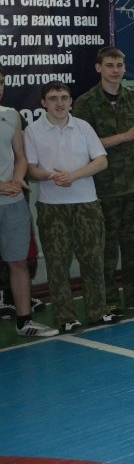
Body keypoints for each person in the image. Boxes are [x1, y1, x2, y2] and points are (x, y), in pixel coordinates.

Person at [25, 80, 120, 332]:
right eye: (53, 98)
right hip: (52, 208)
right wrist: (51, 176)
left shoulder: (83, 127)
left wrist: (73, 176)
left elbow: (101, 161)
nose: (59, 103)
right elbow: (31, 169)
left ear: (71, 101)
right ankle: (66, 318)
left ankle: (98, 312)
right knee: (58, 264)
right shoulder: (33, 131)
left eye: (64, 98)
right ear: (44, 103)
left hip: (87, 205)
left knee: (93, 261)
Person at [71, 47, 134, 313]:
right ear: (98, 68)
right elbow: (84, 146)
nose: (116, 70)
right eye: (110, 65)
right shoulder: (85, 103)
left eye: (120, 65)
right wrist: (126, 136)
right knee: (105, 246)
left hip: (133, 183)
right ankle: (107, 300)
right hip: (103, 186)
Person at [1, 67, 55, 336]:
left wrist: (17, 179)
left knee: (19, 261)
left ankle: (24, 321)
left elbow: (20, 155)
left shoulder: (11, 115)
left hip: (12, 202)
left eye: (1, 82)